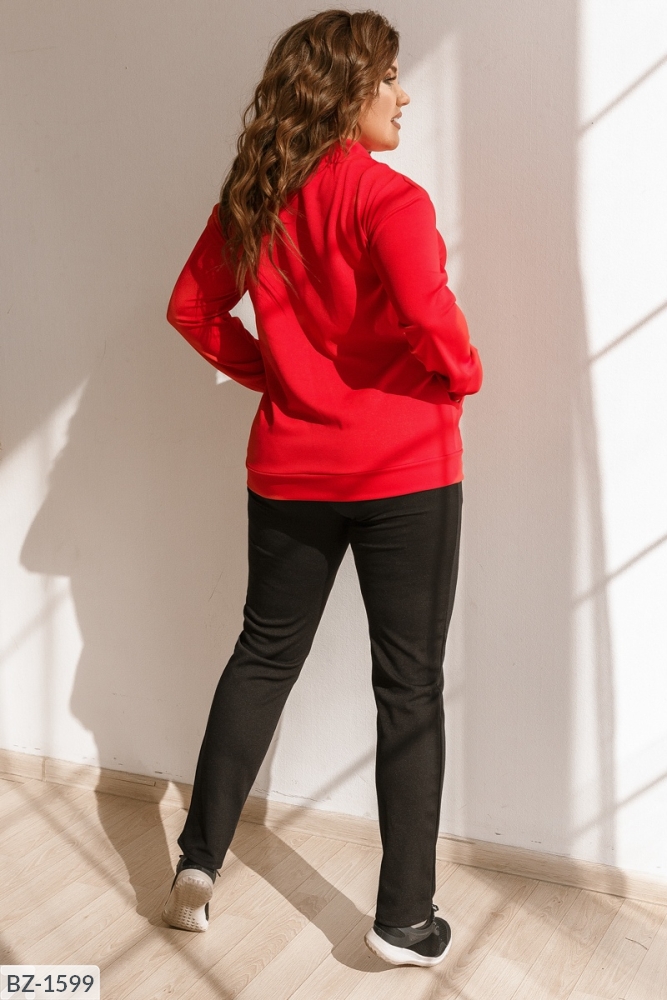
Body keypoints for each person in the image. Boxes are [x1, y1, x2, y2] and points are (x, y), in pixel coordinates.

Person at [161, 8, 482, 968]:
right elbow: (431, 318)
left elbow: (191, 308)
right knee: (408, 686)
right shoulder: (391, 201)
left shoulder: (255, 198)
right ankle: (403, 922)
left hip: (290, 470)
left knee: (261, 658)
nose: (403, 95)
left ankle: (196, 864)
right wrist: (463, 373)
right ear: (345, 91)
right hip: (405, 473)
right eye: (387, 78)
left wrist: (277, 376)